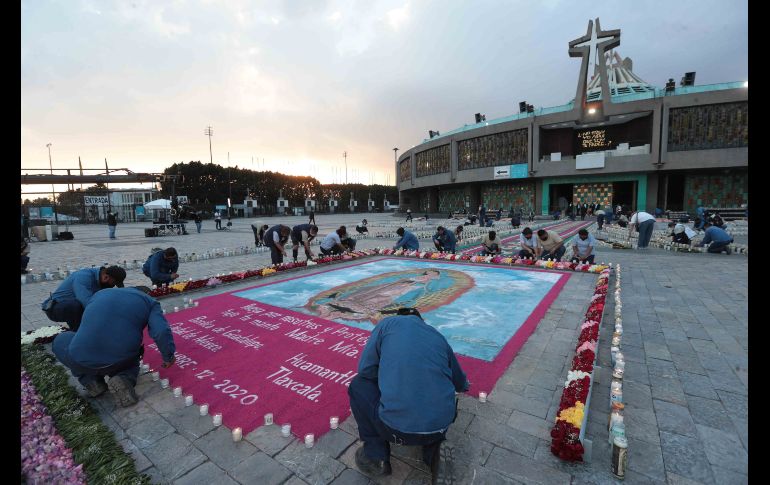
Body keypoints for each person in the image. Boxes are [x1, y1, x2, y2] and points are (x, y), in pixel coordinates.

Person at [349, 310, 469, 479]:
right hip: (440, 425)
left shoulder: (387, 324)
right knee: (432, 401)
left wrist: (390, 375)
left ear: (399, 316)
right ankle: (434, 454)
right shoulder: (437, 335)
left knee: (358, 385)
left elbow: (365, 370)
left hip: (395, 427)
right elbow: (460, 382)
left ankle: (375, 456)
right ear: (422, 321)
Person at [52, 286, 176, 406]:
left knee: (60, 340)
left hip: (80, 358)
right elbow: (161, 331)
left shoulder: (101, 293)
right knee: (130, 363)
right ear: (147, 294)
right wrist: (168, 356)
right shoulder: (149, 302)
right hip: (119, 361)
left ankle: (91, 381)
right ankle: (124, 378)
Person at [41, 266, 127, 331]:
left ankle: (85, 330)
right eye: (113, 283)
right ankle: (77, 333)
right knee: (77, 305)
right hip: (55, 308)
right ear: (106, 277)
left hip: (72, 306)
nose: (113, 286)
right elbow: (86, 302)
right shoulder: (83, 276)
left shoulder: (101, 280)